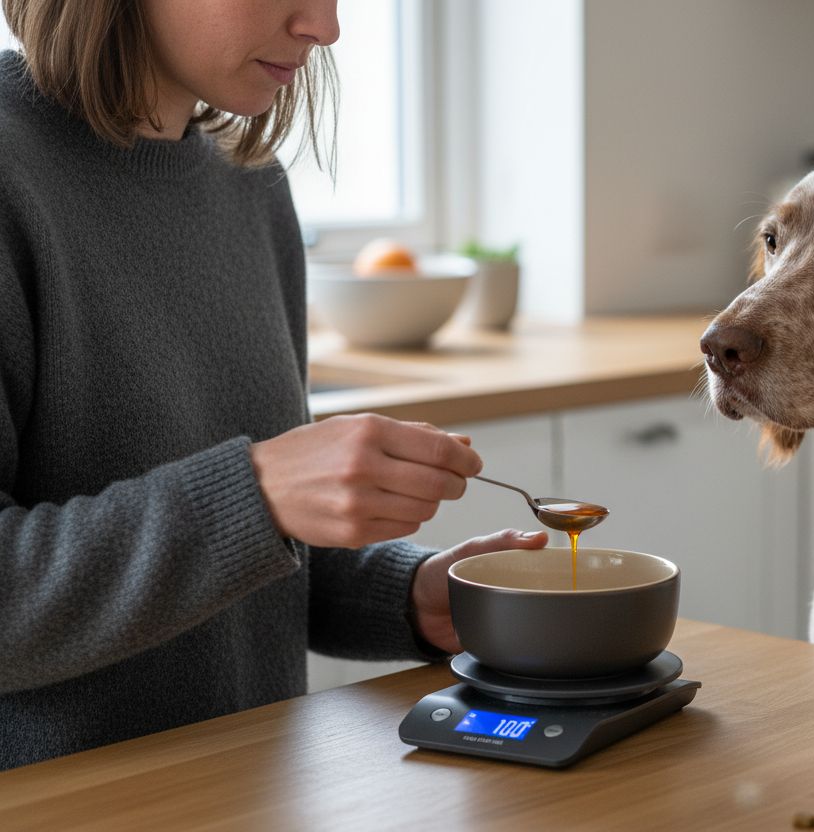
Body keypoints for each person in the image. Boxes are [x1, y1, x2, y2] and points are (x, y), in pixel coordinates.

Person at [0, 0, 546, 771]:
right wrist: (259, 494)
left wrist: (408, 596)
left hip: (251, 796)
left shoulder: (249, 187)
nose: (325, 26)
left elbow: (241, 563)